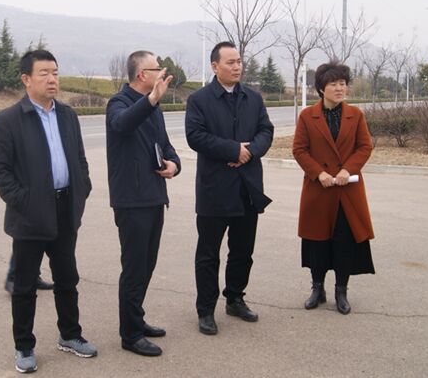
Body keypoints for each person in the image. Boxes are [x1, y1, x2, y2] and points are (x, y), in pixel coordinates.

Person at [0, 50, 97, 373]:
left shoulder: (67, 115)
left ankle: (70, 335)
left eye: (55, 73)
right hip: (29, 216)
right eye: (44, 73)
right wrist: (24, 200)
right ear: (26, 79)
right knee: (24, 287)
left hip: (65, 209)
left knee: (67, 279)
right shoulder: (9, 120)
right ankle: (24, 346)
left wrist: (82, 189)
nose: (52, 79)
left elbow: (80, 159)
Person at [185, 41, 274, 335]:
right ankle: (206, 310)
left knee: (243, 251)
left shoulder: (253, 98)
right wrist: (233, 150)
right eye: (230, 62)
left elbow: (266, 130)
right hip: (215, 190)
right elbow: (195, 136)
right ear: (215, 66)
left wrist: (250, 152)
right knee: (208, 254)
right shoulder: (199, 100)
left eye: (239, 61)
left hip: (247, 188)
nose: (237, 67)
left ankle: (235, 298)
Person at [106, 50, 181, 356]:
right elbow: (122, 124)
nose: (162, 72)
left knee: (147, 264)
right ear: (141, 75)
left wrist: (174, 164)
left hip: (154, 195)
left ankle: (136, 319)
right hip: (131, 200)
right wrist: (150, 101)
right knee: (134, 267)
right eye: (156, 69)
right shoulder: (119, 103)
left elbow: (165, 145)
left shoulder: (154, 106)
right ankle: (130, 334)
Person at [292, 60, 375, 315]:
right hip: (319, 189)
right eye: (334, 84)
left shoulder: (355, 115)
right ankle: (317, 289)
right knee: (317, 241)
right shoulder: (307, 116)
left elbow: (365, 147)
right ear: (321, 88)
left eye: (343, 83)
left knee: (344, 242)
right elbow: (299, 150)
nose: (340, 88)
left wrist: (347, 170)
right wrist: (319, 173)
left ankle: (341, 291)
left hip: (346, 189)